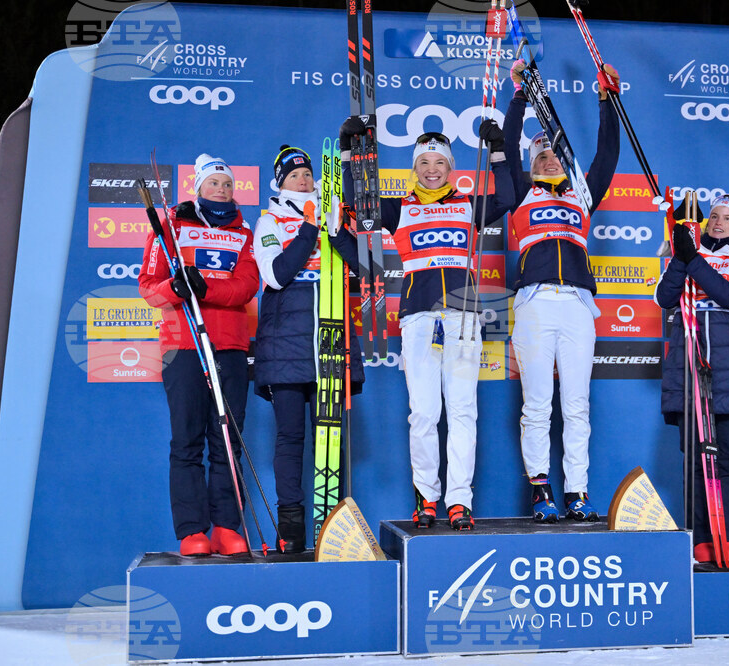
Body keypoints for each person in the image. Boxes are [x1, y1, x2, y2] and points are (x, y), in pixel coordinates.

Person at [335, 116, 513, 530]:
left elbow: (509, 195)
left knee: (464, 411)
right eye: (424, 163)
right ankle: (427, 497)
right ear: (414, 169)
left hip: (464, 318)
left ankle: (459, 500)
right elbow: (356, 203)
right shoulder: (398, 208)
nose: (432, 170)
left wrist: (499, 150)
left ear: (451, 168)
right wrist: (349, 152)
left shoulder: (468, 204)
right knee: (424, 413)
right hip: (417, 319)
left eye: (440, 163)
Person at [501, 60, 621, 523]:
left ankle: (577, 491)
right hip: (533, 303)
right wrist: (519, 97)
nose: (548, 158)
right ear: (531, 165)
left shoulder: (581, 195)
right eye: (541, 155)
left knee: (576, 405)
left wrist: (606, 99)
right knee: (537, 404)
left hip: (576, 304)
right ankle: (541, 490)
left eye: (553, 154)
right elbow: (507, 145)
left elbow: (607, 155)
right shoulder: (518, 193)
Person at [138, 154, 259, 556]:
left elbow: (246, 287)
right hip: (183, 344)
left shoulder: (243, 232)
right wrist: (176, 287)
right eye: (214, 184)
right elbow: (149, 286)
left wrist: (205, 289)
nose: (222, 190)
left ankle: (227, 526)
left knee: (227, 439)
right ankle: (193, 531)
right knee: (187, 440)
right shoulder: (171, 226)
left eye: (227, 183)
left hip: (230, 345)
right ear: (198, 188)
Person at [252, 145, 365, 554]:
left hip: (331, 338)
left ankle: (330, 522)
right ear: (279, 181)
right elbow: (278, 274)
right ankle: (292, 527)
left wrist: (335, 232)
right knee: (290, 436)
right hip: (286, 343)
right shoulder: (268, 221)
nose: (302, 179)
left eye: (306, 173)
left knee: (330, 436)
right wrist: (308, 229)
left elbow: (361, 268)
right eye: (293, 174)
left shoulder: (332, 212)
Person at [655, 194, 729, 563]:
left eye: (727, 218)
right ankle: (700, 537)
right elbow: (664, 297)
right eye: (714, 216)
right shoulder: (685, 252)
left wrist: (694, 258)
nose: (718, 222)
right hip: (688, 366)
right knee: (696, 460)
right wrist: (682, 257)